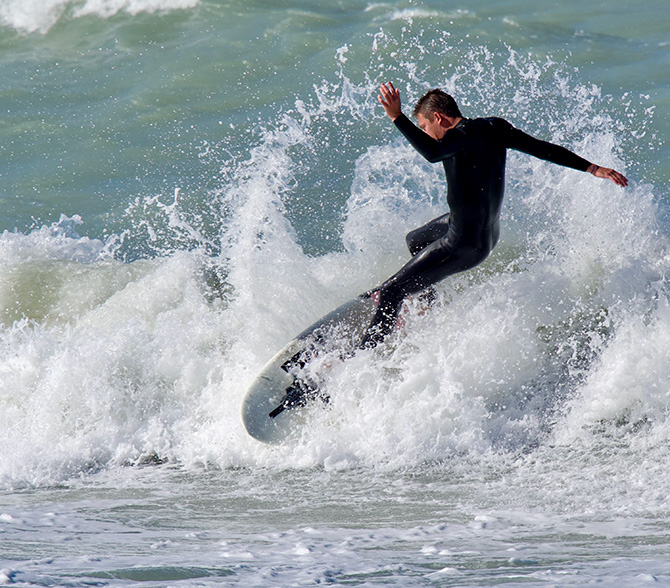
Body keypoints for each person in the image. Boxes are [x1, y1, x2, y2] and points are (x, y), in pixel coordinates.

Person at [359, 82, 629, 349]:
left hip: (461, 245)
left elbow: (432, 153)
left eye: (424, 127)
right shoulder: (494, 127)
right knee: (416, 240)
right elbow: (542, 148)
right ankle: (425, 304)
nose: (426, 134)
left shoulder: (456, 139)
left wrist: (397, 116)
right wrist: (591, 168)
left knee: (391, 291)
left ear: (438, 118)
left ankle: (362, 356)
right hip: (484, 235)